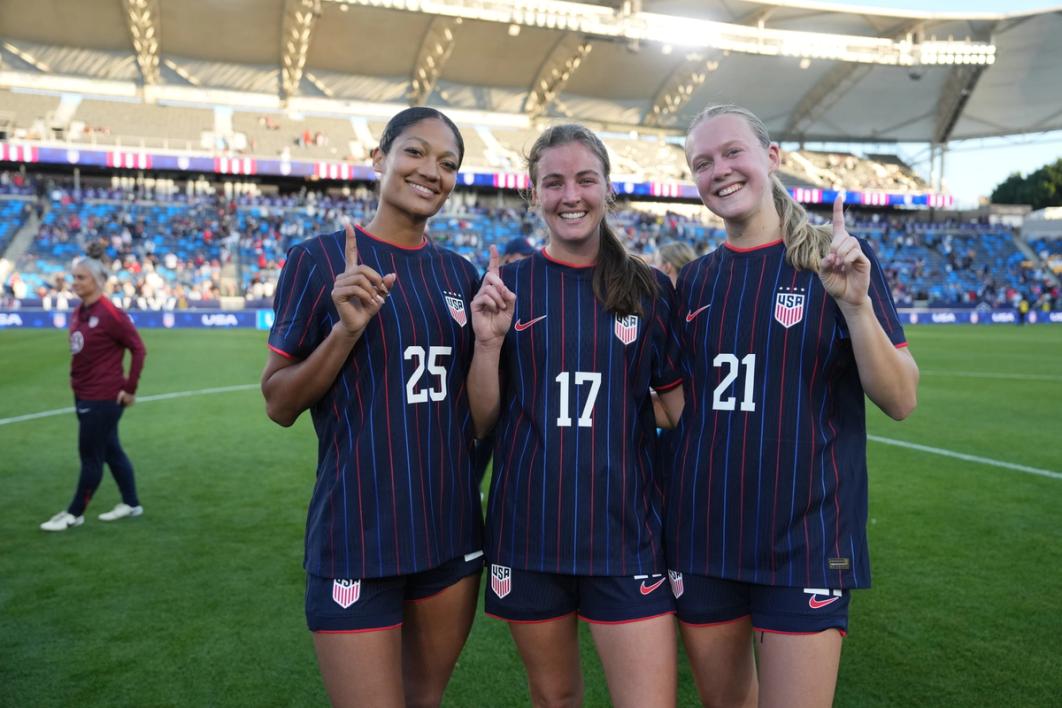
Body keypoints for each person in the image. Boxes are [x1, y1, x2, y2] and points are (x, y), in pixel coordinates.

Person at [667, 104, 919, 708]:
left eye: (732, 153)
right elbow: (676, 407)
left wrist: (856, 308)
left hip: (808, 537)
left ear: (772, 158)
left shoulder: (835, 262)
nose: (719, 170)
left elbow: (902, 399)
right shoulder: (695, 281)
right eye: (702, 163)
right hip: (705, 537)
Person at [260, 107, 484, 708]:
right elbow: (278, 403)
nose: (430, 171)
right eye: (414, 152)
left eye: (448, 163)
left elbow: (484, 411)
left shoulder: (461, 275)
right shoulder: (318, 260)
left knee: (423, 700)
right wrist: (344, 332)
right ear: (378, 159)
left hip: (450, 534)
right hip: (356, 534)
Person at [468, 124, 684, 708]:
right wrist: (487, 345)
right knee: (555, 697)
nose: (571, 195)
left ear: (607, 189)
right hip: (529, 530)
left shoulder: (648, 288)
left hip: (625, 531)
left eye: (586, 180)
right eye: (554, 181)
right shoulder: (505, 286)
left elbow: (675, 408)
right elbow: (482, 420)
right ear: (532, 193)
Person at [40, 242, 146, 532]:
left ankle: (74, 514)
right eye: (74, 277)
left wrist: (130, 387)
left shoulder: (111, 314)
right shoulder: (80, 311)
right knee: (111, 450)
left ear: (98, 281)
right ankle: (131, 503)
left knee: (91, 457)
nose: (74, 282)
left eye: (81, 278)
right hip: (83, 392)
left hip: (103, 397)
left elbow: (138, 348)